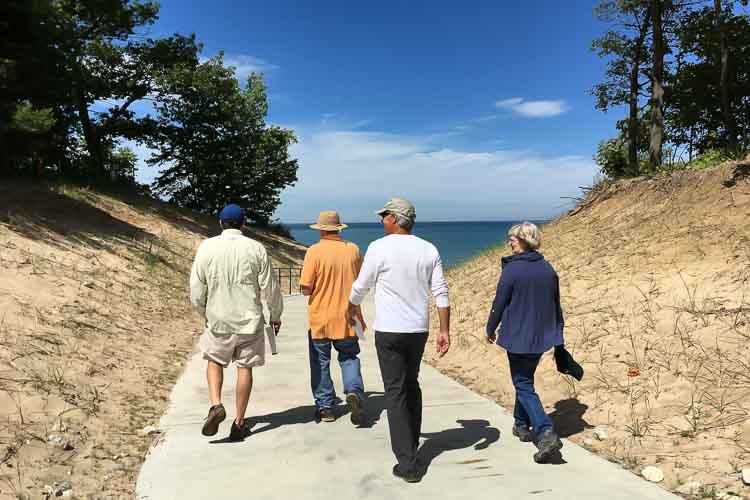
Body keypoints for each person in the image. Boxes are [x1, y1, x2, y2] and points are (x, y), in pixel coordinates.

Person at [347, 197, 450, 483]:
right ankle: (412, 445)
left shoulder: (379, 247)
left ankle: (407, 462)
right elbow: (440, 291)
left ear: (395, 218)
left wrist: (351, 306)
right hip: (418, 330)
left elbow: (361, 285)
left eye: (384, 216)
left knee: (395, 391)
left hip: (390, 331)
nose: (382, 221)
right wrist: (445, 330)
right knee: (411, 384)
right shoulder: (428, 249)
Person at [190, 204, 283, 442]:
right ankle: (239, 422)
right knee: (245, 368)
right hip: (249, 320)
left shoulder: (207, 247)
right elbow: (270, 287)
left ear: (221, 223)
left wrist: (203, 310)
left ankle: (216, 404)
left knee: (214, 361)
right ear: (243, 224)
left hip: (218, 317)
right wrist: (275, 314)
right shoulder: (256, 248)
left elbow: (196, 287)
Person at [486, 221, 564, 463]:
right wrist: (558, 333)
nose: (510, 242)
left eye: (513, 239)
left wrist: (490, 327)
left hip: (519, 336)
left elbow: (499, 302)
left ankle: (544, 430)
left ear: (523, 241)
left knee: (522, 384)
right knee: (525, 379)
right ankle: (521, 424)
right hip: (541, 337)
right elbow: (556, 304)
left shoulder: (513, 269)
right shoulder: (547, 269)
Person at [300, 210, 366, 425]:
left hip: (321, 319)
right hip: (348, 316)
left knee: (320, 362)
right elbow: (361, 281)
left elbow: (306, 288)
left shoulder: (314, 252)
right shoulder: (353, 250)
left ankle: (326, 408)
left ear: (320, 229)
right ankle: (354, 391)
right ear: (339, 228)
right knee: (349, 357)